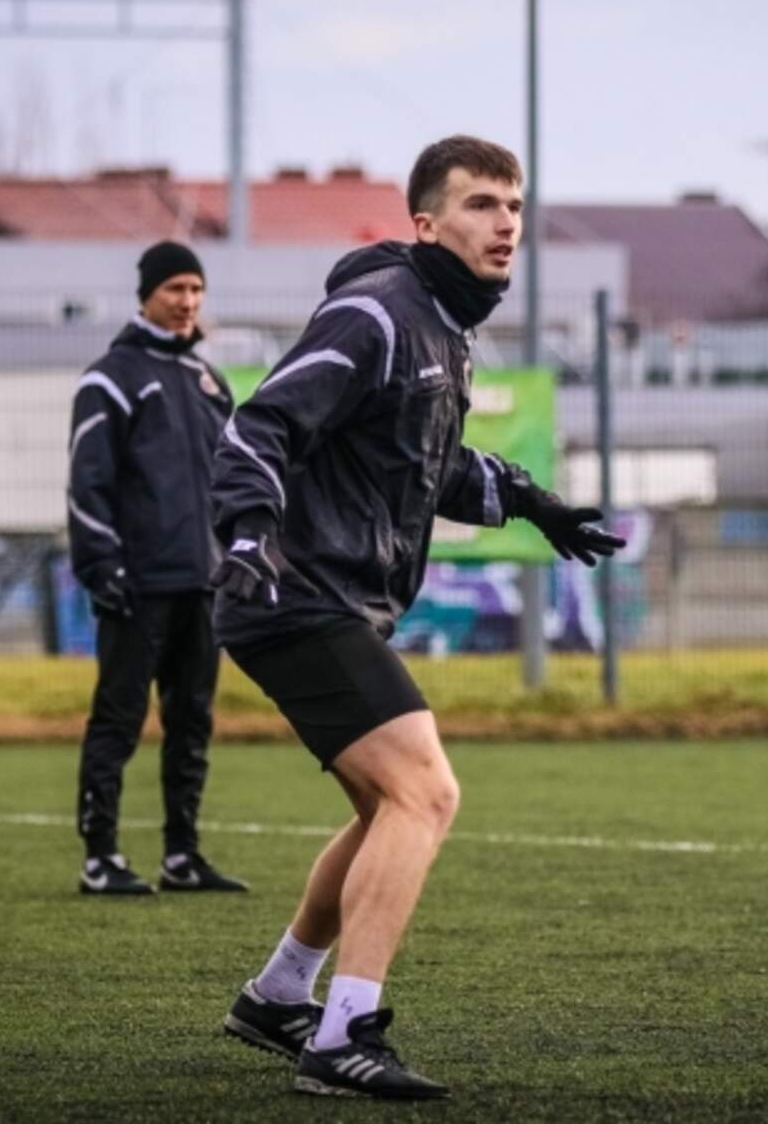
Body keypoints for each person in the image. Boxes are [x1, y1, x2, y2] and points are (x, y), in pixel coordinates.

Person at [209, 136, 624, 1098]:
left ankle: (279, 996)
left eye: (514, 206)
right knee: (426, 794)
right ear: (427, 224)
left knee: (384, 807)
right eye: (482, 205)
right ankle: (342, 1036)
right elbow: (260, 424)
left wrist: (530, 501)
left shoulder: (443, 327)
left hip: (334, 599)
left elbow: (424, 461)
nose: (506, 224)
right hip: (292, 593)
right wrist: (248, 534)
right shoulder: (378, 312)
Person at [66, 240, 247, 897]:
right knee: (118, 718)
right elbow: (87, 484)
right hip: (137, 583)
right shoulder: (109, 379)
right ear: (146, 295)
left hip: (203, 583)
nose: (187, 301)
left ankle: (182, 856)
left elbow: (233, 482)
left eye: (196, 289)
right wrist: (101, 565)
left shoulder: (209, 381)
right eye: (174, 289)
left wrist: (237, 556)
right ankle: (100, 858)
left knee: (192, 722)